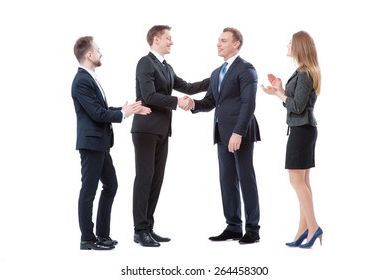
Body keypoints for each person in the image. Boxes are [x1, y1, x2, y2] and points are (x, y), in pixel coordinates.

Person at [131, 25, 209, 247]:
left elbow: (187, 87)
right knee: (145, 179)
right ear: (156, 39)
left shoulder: (166, 67)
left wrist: (216, 77)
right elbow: (149, 95)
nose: (171, 42)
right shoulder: (145, 62)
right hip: (145, 129)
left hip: (163, 130)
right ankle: (139, 230)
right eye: (168, 38)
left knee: (156, 180)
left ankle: (148, 227)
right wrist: (177, 101)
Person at [72, 36, 151, 250]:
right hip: (91, 144)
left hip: (101, 144)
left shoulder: (90, 78)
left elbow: (101, 110)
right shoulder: (81, 81)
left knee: (111, 185)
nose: (101, 53)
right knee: (88, 191)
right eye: (98, 50)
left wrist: (127, 110)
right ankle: (87, 239)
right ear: (88, 55)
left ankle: (103, 235)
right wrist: (122, 114)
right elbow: (97, 114)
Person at [191, 27, 261, 244]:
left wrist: (238, 132)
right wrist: (192, 104)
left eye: (223, 40)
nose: (218, 44)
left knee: (245, 178)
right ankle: (233, 226)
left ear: (236, 44)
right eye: (218, 40)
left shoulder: (246, 69)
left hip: (240, 133)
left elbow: (248, 104)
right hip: (221, 134)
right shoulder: (216, 73)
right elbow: (211, 102)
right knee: (227, 180)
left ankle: (252, 229)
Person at [261, 31, 323, 248]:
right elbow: (297, 102)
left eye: (290, 42)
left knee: (296, 181)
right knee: (303, 182)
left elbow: (296, 107)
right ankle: (303, 229)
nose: (288, 44)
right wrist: (280, 89)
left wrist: (278, 94)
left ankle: (314, 228)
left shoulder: (305, 74)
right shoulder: (301, 72)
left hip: (302, 131)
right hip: (302, 129)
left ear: (299, 47)